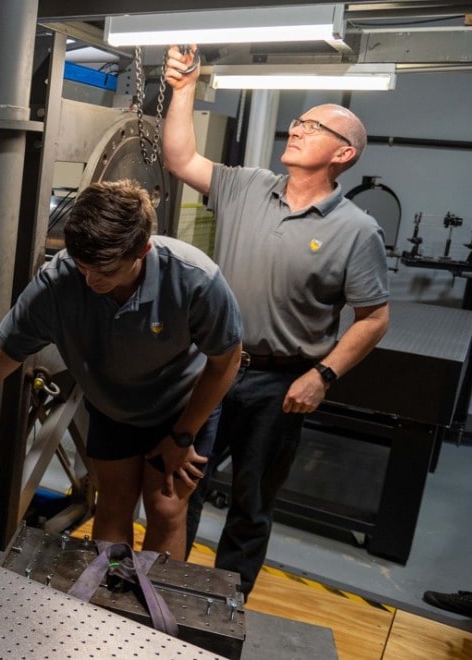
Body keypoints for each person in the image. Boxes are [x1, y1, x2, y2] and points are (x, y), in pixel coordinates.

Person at [0, 179, 242, 558]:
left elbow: (227, 361)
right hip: (113, 405)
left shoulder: (194, 279)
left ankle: (151, 600)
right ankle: (108, 595)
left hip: (182, 407)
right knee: (114, 502)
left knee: (166, 506)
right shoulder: (58, 284)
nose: (90, 280)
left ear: (142, 250)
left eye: (105, 271)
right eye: (82, 267)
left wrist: (183, 436)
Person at [163, 46, 391, 596]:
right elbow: (180, 158)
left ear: (343, 153)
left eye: (313, 127)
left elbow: (374, 318)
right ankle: (165, 590)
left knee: (252, 501)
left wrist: (323, 376)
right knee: (181, 481)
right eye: (298, 122)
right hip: (213, 367)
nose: (297, 129)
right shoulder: (246, 185)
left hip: (279, 383)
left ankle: (225, 607)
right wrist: (184, 90)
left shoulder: (357, 230)